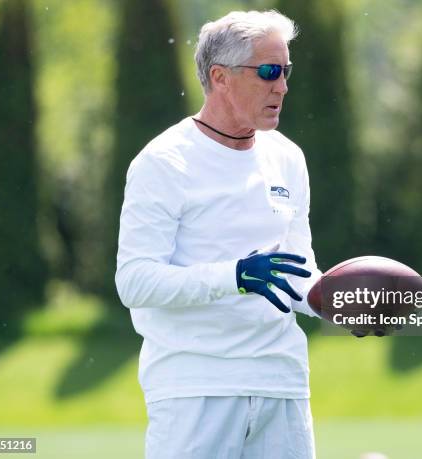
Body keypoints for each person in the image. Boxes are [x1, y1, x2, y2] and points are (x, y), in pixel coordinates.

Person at [115, 10, 321, 459]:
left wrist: (341, 304)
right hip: (195, 389)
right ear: (220, 77)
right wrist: (236, 276)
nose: (282, 86)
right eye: (268, 71)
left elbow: (298, 274)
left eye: (285, 71)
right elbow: (134, 281)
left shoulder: (288, 158)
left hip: (281, 383)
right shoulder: (164, 162)